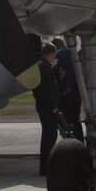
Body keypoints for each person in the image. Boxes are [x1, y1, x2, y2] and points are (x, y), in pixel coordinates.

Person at [33, 42, 61, 175]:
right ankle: (46, 167)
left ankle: (45, 166)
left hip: (42, 105)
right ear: (51, 53)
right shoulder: (45, 67)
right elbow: (47, 89)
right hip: (48, 107)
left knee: (47, 135)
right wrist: (54, 106)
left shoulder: (40, 66)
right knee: (49, 137)